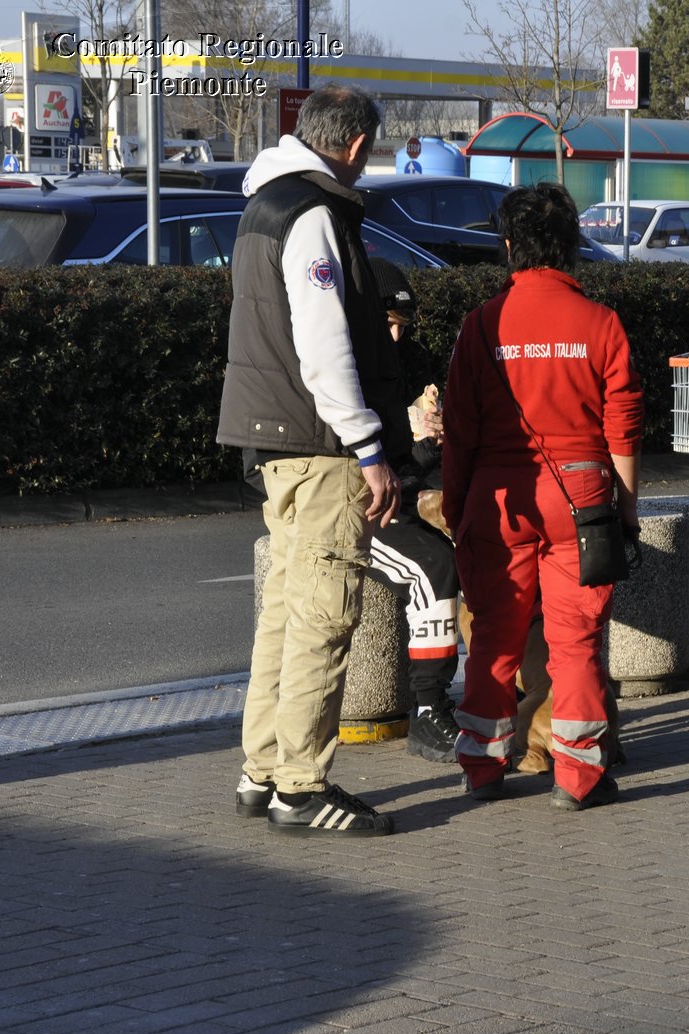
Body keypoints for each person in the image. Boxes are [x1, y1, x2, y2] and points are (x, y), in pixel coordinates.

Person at [217, 84, 409, 837]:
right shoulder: (316, 214)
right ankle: (302, 785)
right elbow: (325, 345)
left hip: (275, 443)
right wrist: (369, 446)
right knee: (326, 615)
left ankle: (261, 769)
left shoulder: (261, 205)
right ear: (357, 145)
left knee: (286, 614)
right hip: (321, 445)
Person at [442, 182, 643, 812]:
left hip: (498, 498)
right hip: (581, 497)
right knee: (575, 642)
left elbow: (460, 431)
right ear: (573, 245)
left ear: (508, 246)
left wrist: (457, 509)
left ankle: (481, 764)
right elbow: (623, 431)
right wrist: (625, 510)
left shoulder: (481, 325)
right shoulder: (601, 323)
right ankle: (578, 776)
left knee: (495, 639)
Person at [358, 259, 464, 768]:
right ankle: (428, 707)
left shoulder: (413, 361)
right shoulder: (346, 364)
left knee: (469, 551)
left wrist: (436, 434)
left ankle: (470, 698)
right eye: (388, 324)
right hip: (361, 505)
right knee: (433, 566)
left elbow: (420, 460)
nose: (397, 337)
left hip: (410, 490)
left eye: (404, 325)